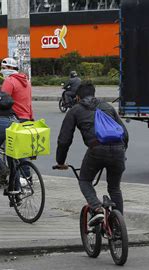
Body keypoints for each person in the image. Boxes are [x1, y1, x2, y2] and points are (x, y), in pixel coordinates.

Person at [55, 82, 129, 225]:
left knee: (85, 180)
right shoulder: (107, 106)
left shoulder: (75, 110)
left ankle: (97, 208)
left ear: (77, 97)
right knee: (114, 188)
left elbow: (64, 140)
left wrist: (60, 161)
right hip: (118, 149)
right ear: (94, 94)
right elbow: (124, 133)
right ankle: (118, 226)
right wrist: (121, 152)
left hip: (96, 150)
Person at [0, 57, 34, 122]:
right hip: (27, 117)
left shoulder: (9, 81)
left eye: (4, 68)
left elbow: (3, 101)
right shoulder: (26, 81)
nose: (2, 70)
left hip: (14, 118)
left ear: (11, 68)